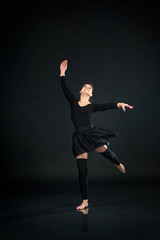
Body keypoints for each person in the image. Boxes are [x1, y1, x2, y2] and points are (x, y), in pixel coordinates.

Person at [59, 60, 134, 210]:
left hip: (91, 134)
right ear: (80, 91)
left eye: (90, 88)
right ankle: (85, 201)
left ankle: (118, 164)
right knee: (82, 172)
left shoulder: (93, 106)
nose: (87, 88)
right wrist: (62, 72)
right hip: (79, 138)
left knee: (107, 154)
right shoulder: (73, 101)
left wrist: (120, 104)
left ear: (91, 93)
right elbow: (64, 88)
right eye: (85, 86)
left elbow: (108, 105)